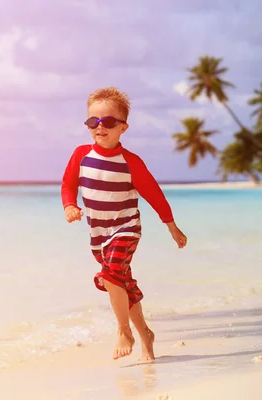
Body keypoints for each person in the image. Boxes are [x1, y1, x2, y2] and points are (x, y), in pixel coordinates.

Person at [60, 86, 188, 361]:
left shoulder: (130, 162)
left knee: (111, 275)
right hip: (98, 235)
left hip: (126, 228)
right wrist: (70, 205)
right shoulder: (81, 155)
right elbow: (68, 184)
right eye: (93, 122)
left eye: (108, 122)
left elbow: (154, 194)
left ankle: (123, 331)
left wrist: (171, 225)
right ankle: (146, 336)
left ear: (123, 128)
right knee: (122, 284)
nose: (99, 127)